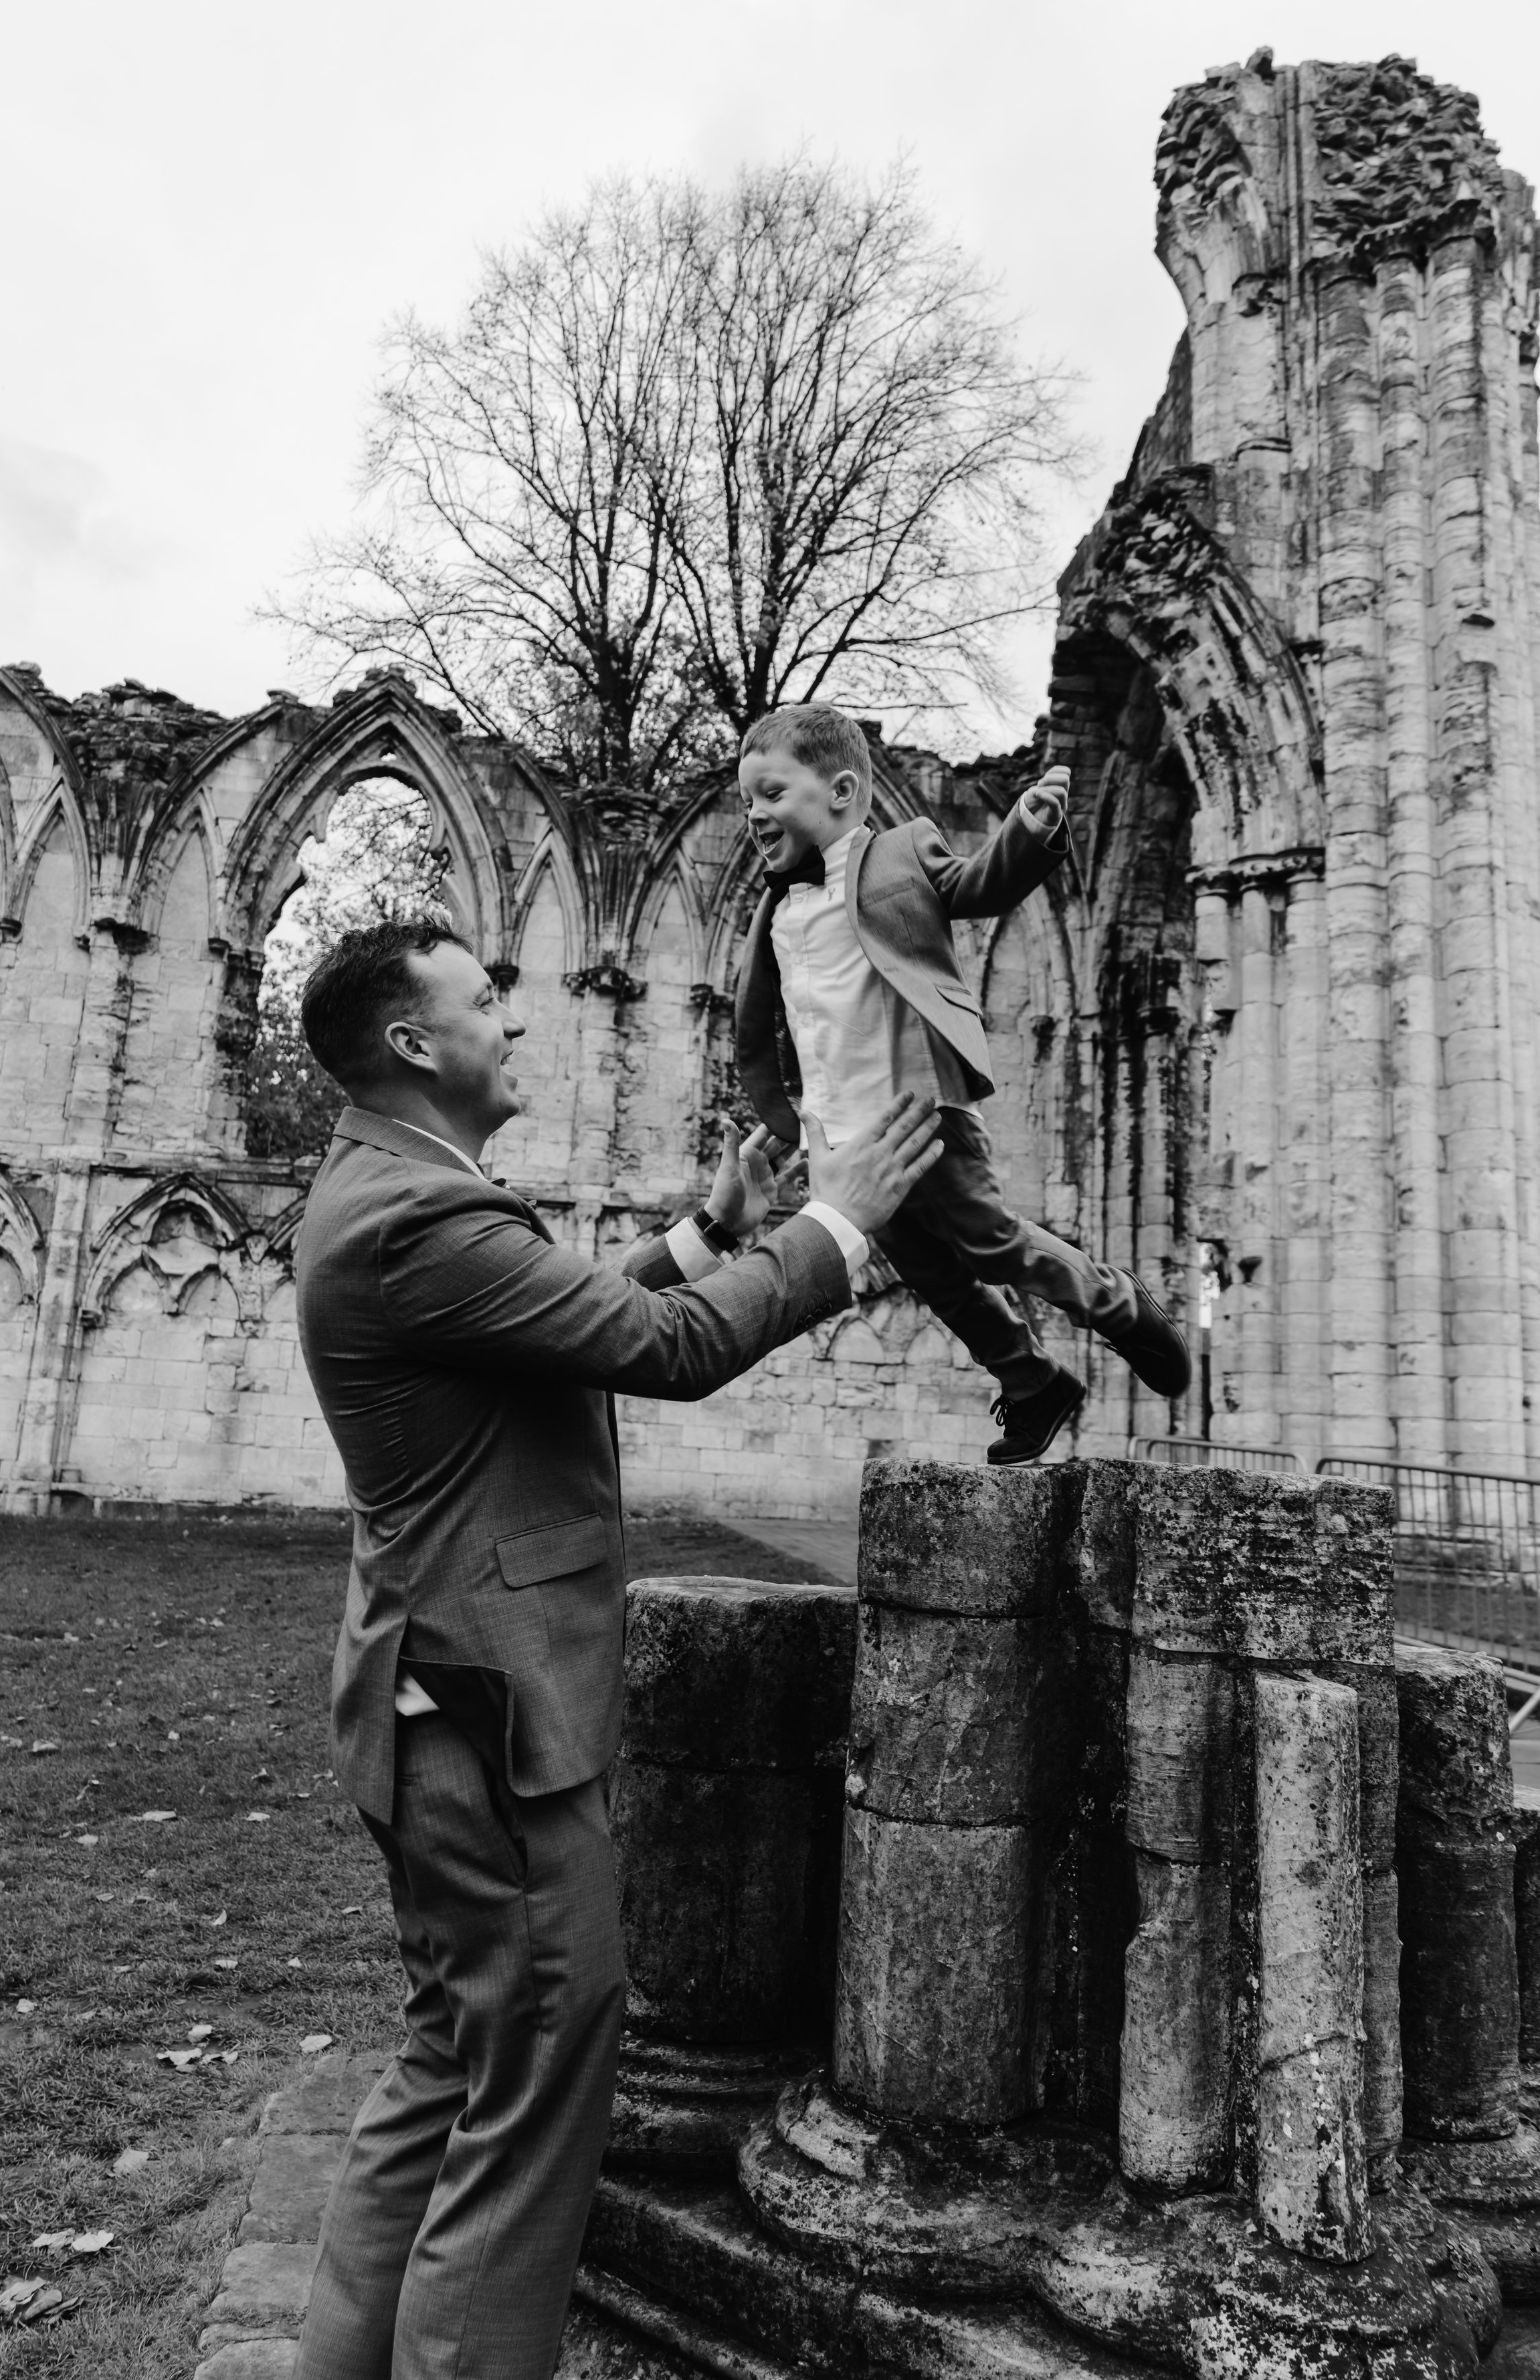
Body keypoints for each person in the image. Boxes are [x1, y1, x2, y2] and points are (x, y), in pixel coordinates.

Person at [288, 916, 942, 2380]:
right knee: (531, 2091)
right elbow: (665, 1350)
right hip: (484, 1710)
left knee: (452, 2061)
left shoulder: (389, 1191)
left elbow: (566, 1320)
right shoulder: (416, 1215)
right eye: (483, 1001)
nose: (509, 1023)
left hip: (434, 1690)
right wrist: (833, 1225)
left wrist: (707, 1231)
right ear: (412, 1041)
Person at [734, 703, 1191, 1465]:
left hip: (922, 1109)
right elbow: (773, 1024)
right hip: (845, 1138)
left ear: (842, 791)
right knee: (929, 1274)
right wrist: (785, 1116)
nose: (755, 814)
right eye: (747, 800)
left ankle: (1116, 1301)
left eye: (773, 793)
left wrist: (1030, 827)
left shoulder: (902, 852)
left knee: (986, 1241)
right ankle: (1030, 1382)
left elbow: (978, 884)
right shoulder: (775, 905)